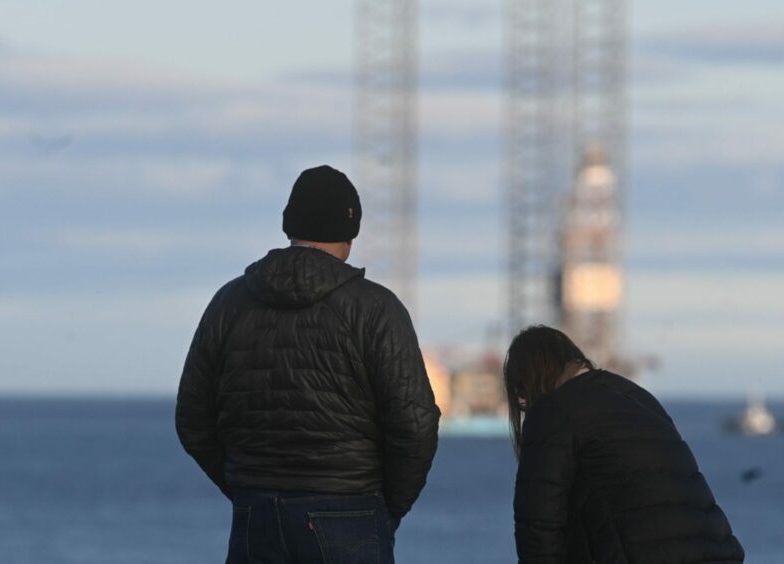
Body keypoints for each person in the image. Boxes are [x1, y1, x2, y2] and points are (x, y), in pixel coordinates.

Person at [175, 165, 440, 564]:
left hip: (255, 513)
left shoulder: (229, 303)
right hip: (349, 509)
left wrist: (246, 487)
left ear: (288, 224)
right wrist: (387, 508)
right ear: (351, 232)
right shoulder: (375, 309)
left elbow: (193, 421)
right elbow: (415, 425)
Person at [504, 325, 744, 564]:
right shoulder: (638, 397)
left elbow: (538, 528)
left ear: (528, 382)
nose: (525, 407)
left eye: (522, 399)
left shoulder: (552, 411)